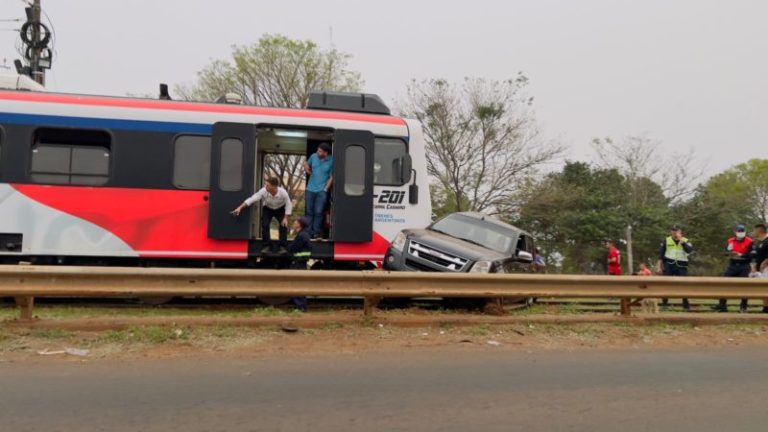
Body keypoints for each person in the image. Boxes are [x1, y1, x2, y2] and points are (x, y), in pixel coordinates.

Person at [231, 177, 293, 254]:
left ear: (274, 187)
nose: (265, 186)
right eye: (265, 184)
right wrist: (240, 207)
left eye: (267, 185)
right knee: (265, 224)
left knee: (283, 225)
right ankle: (266, 246)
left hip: (280, 209)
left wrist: (285, 218)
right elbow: (252, 199)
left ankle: (283, 246)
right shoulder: (263, 190)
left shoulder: (283, 193)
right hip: (268, 208)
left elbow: (288, 205)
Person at [714, 224, 754, 313]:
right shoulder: (730, 241)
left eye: (742, 231)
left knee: (744, 286)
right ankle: (722, 305)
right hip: (732, 265)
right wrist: (730, 253)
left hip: (744, 265)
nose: (741, 233)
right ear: (735, 232)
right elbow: (726, 252)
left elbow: (752, 255)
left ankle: (743, 307)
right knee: (724, 283)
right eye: (739, 231)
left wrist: (742, 255)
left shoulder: (749, 241)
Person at [656, 226, 694, 310]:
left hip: (681, 265)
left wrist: (682, 241)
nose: (675, 233)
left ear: (681, 232)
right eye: (673, 231)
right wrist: (659, 267)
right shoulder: (666, 240)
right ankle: (665, 304)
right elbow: (661, 255)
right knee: (666, 284)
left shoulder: (686, 240)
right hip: (669, 264)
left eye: (677, 231)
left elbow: (690, 250)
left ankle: (686, 304)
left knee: (684, 285)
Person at [303, 142, 334, 238]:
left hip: (321, 191)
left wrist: (325, 189)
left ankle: (316, 232)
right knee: (309, 211)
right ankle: (308, 232)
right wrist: (306, 168)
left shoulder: (332, 160)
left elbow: (332, 177)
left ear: (325, 152)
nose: (317, 152)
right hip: (310, 189)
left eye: (319, 151)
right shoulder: (313, 156)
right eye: (317, 150)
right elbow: (306, 164)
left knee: (318, 212)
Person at [287, 216, 312, 312]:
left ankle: (300, 307)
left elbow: (292, 248)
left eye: (296, 221)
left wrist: (289, 249)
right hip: (300, 263)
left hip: (298, 263)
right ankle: (302, 307)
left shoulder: (301, 236)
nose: (294, 222)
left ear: (300, 224)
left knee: (296, 285)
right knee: (299, 284)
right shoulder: (304, 234)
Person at [750, 224, 768, 313]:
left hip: (766, 269)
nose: (753, 232)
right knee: (764, 289)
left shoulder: (767, 241)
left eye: (754, 230)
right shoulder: (759, 242)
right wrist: (754, 266)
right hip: (760, 270)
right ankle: (765, 307)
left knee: (766, 288)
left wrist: (764, 263)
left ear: (759, 231)